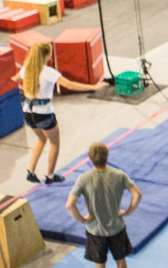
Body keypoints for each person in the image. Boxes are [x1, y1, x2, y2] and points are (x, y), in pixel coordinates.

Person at [16, 41, 107, 184]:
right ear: (47, 55)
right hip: (43, 113)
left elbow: (16, 79)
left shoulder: (26, 69)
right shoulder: (48, 73)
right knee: (54, 143)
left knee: (41, 139)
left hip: (27, 111)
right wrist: (93, 86)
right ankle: (50, 176)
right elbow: (69, 84)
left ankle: (31, 171)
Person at [65, 142, 141, 268]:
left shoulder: (84, 178)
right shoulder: (119, 175)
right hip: (117, 228)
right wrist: (128, 211)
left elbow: (70, 204)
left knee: (100, 264)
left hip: (95, 230)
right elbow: (137, 194)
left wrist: (82, 219)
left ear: (90, 159)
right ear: (107, 156)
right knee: (120, 260)